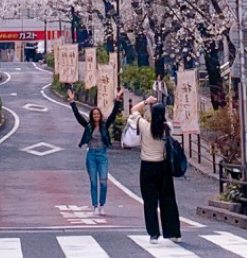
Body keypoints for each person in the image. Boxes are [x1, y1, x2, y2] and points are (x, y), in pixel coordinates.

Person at [127, 96, 181, 242]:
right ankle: (173, 233)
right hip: (163, 167)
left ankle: (154, 234)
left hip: (147, 166)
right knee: (168, 200)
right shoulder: (167, 128)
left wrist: (146, 101)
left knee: (150, 202)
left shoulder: (144, 125)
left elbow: (133, 110)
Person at [67, 88, 123, 215]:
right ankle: (95, 206)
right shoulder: (88, 126)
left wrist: (118, 100)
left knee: (103, 181)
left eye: (98, 114)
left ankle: (102, 204)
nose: (96, 116)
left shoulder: (104, 125)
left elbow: (113, 115)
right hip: (91, 155)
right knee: (93, 181)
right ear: (92, 116)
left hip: (102, 155)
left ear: (100, 116)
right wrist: (72, 101)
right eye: (94, 114)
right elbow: (78, 116)